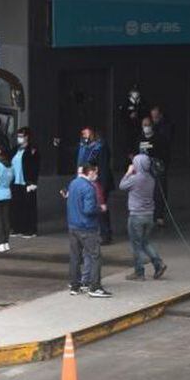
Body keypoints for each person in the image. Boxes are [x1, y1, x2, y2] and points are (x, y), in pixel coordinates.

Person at [62, 162, 111, 298]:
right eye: (96, 172)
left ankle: (75, 286)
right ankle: (95, 287)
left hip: (73, 226)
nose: (97, 175)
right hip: (87, 227)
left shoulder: (73, 183)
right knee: (95, 256)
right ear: (90, 172)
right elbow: (88, 209)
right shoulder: (89, 188)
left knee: (75, 257)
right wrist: (100, 208)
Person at [119, 153, 167, 281]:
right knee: (145, 242)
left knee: (136, 245)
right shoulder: (151, 178)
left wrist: (128, 172)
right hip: (149, 215)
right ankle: (159, 264)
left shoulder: (135, 178)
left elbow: (122, 185)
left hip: (136, 216)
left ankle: (139, 272)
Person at [76, 127, 114, 244]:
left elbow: (102, 166)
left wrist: (102, 184)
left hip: (98, 181)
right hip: (89, 180)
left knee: (100, 207)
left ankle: (105, 234)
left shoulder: (99, 147)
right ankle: (97, 232)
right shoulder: (85, 147)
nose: (85, 136)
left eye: (87, 134)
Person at [139, 116, 170, 226]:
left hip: (157, 169)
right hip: (144, 170)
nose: (146, 127)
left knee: (158, 192)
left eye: (148, 125)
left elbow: (164, 153)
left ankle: (159, 216)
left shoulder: (159, 138)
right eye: (144, 125)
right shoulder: (140, 138)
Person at [10, 127, 40, 238]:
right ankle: (18, 228)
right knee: (16, 205)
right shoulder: (15, 150)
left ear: (27, 137)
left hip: (27, 182)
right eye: (18, 136)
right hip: (15, 182)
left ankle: (30, 230)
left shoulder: (32, 150)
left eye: (22, 136)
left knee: (29, 206)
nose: (19, 138)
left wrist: (33, 182)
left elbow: (35, 166)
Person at [150, 106, 173, 225]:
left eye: (156, 117)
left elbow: (162, 142)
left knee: (160, 188)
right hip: (148, 161)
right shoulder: (150, 127)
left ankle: (159, 215)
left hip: (161, 161)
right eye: (152, 117)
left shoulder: (165, 127)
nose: (154, 119)